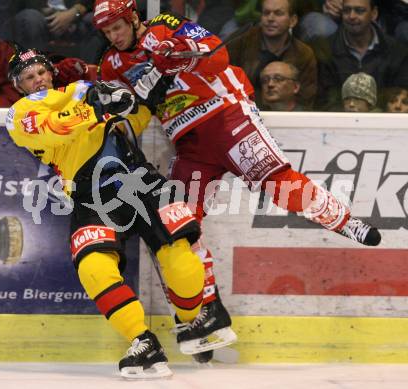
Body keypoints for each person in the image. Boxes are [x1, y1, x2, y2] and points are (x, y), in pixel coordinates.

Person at [93, 0, 382, 360]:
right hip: (188, 142)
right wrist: (124, 95)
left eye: (118, 27)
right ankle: (208, 313)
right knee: (177, 222)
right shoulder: (111, 63)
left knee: (278, 183)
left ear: (133, 17)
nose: (113, 35)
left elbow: (218, 56)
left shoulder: (166, 25)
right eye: (106, 31)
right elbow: (127, 108)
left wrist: (181, 52)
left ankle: (344, 220)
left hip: (225, 115)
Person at [5, 49, 223, 379]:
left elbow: (128, 119)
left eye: (40, 72)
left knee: (180, 252)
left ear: (51, 72)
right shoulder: (20, 113)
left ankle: (191, 320)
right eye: (28, 77)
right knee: (94, 267)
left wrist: (144, 95)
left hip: (139, 178)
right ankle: (143, 340)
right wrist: (95, 104)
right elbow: (52, 129)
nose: (37, 79)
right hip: (90, 194)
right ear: (20, 86)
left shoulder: (85, 88)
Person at [313, 0, 408, 111]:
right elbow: (324, 103)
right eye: (347, 10)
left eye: (359, 11)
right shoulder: (326, 50)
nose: (352, 16)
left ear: (373, 14)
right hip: (341, 122)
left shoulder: (397, 52)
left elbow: (399, 99)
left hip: (382, 122)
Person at [226, 0, 317, 109]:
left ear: (293, 20)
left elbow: (306, 99)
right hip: (244, 113)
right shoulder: (239, 43)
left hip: (289, 117)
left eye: (278, 13)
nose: (270, 18)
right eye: (266, 13)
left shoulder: (303, 53)